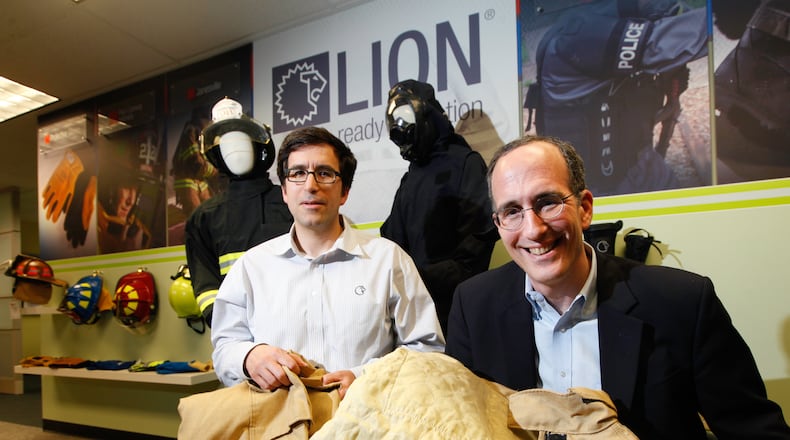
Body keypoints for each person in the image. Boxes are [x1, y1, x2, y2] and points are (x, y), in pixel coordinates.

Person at [445, 135, 790, 438]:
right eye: (512, 211)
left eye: (547, 202)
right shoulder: (474, 306)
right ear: (498, 224)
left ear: (584, 209)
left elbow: (755, 430)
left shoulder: (682, 303)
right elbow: (458, 425)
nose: (533, 229)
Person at [211, 126, 445, 398]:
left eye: (324, 173)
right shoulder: (251, 268)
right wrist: (248, 356)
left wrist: (365, 377)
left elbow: (428, 349)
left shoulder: (389, 260)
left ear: (344, 191)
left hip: (366, 423)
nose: (311, 185)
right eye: (298, 173)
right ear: (284, 191)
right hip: (276, 426)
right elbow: (224, 347)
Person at [381, 79, 495, 333]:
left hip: (456, 310)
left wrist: (418, 278)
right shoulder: (410, 178)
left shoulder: (466, 164)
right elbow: (393, 242)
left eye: (407, 116)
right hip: (411, 311)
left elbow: (474, 252)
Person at [184, 98, 292, 326]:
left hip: (297, 326)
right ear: (217, 155)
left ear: (260, 148)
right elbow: (206, 289)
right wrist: (230, 333)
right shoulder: (204, 218)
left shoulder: (290, 202)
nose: (235, 150)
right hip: (239, 344)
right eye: (227, 144)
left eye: (241, 141)